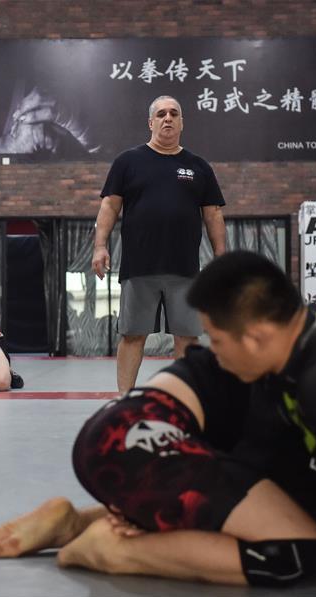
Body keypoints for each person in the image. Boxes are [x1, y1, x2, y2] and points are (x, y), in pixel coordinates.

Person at [0, 253, 316, 597]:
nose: (213, 352)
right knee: (292, 548)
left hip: (125, 433)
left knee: (287, 511)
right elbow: (256, 458)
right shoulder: (307, 348)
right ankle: (108, 549)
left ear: (256, 335)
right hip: (132, 438)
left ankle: (83, 523)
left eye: (217, 340)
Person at [92, 95, 227, 394]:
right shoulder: (128, 162)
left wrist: (221, 257)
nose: (168, 118)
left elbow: (213, 214)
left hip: (185, 269)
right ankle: (124, 399)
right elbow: (109, 206)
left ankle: (183, 398)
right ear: (150, 122)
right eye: (161, 114)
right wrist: (100, 246)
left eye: (174, 114)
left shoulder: (199, 166)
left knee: (187, 338)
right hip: (139, 267)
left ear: (182, 122)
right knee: (132, 335)